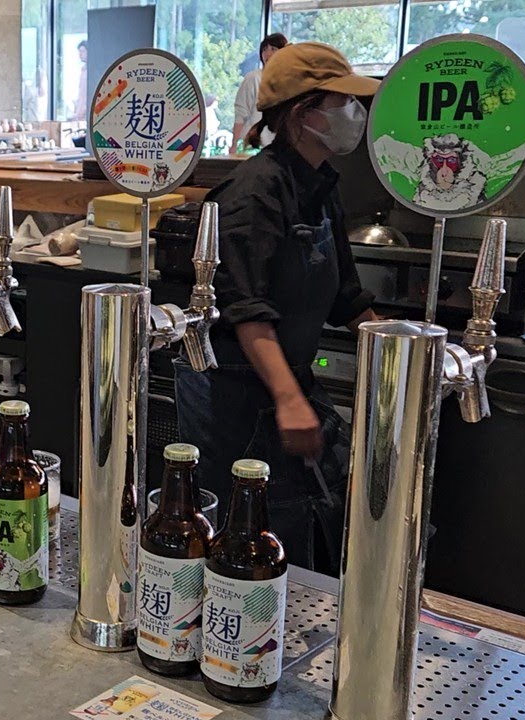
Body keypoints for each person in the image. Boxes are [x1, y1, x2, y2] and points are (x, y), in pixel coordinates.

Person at [174, 42, 380, 575]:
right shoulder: (253, 193)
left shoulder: (321, 184)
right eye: (342, 101)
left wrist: (400, 356)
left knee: (317, 510)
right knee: (250, 527)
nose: (354, 114)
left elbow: (346, 295)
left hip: (287, 380)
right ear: (303, 113)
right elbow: (246, 309)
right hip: (237, 392)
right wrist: (289, 399)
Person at [231, 34, 289, 153]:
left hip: (279, 148)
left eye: (273, 49)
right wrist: (234, 144)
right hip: (253, 146)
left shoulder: (290, 81)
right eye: (264, 49)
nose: (267, 53)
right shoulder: (253, 78)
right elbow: (241, 113)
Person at [75, 40, 88, 121]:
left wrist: (84, 109)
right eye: (79, 52)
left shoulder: (91, 70)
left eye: (82, 51)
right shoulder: (83, 70)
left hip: (86, 112)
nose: (80, 54)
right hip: (80, 113)